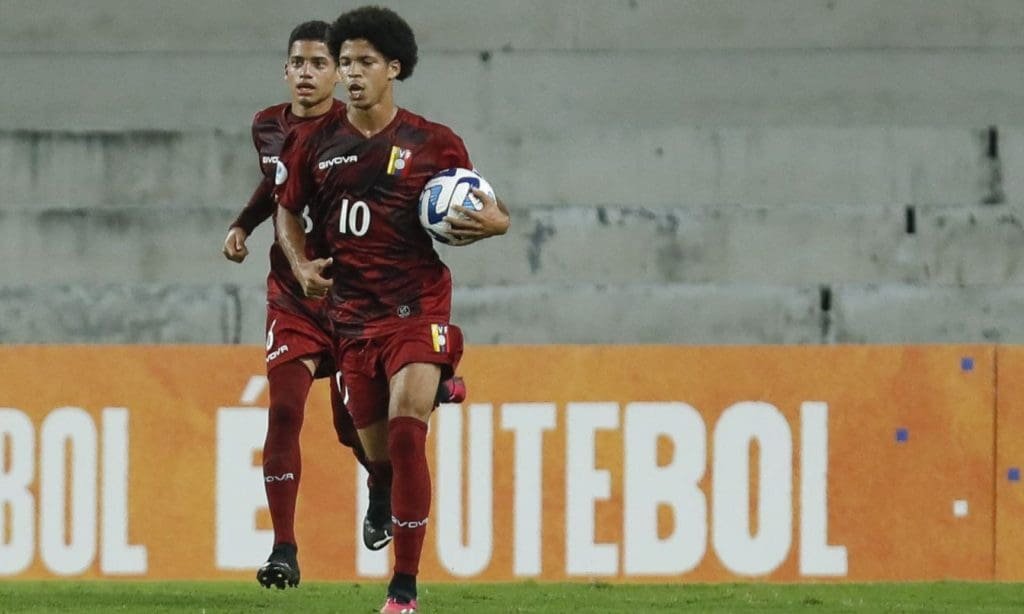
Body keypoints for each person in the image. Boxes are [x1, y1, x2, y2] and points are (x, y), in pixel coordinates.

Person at [272, 7, 509, 612]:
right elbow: (287, 211)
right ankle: (384, 478)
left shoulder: (434, 142)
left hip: (418, 305)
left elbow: (489, 206)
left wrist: (496, 224)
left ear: (393, 69)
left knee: (407, 435)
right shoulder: (314, 142)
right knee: (371, 449)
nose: (351, 74)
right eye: (345, 62)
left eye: (365, 62)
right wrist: (300, 266)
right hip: (352, 318)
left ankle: (403, 589)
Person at [221, 20, 471, 591]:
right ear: (285, 70)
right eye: (298, 63)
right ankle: (283, 548)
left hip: (352, 296)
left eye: (322, 63)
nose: (308, 74)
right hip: (295, 292)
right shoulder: (268, 127)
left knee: (351, 426)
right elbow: (280, 190)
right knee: (285, 409)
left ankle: (385, 476)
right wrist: (244, 225)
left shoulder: (358, 130)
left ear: (336, 74)